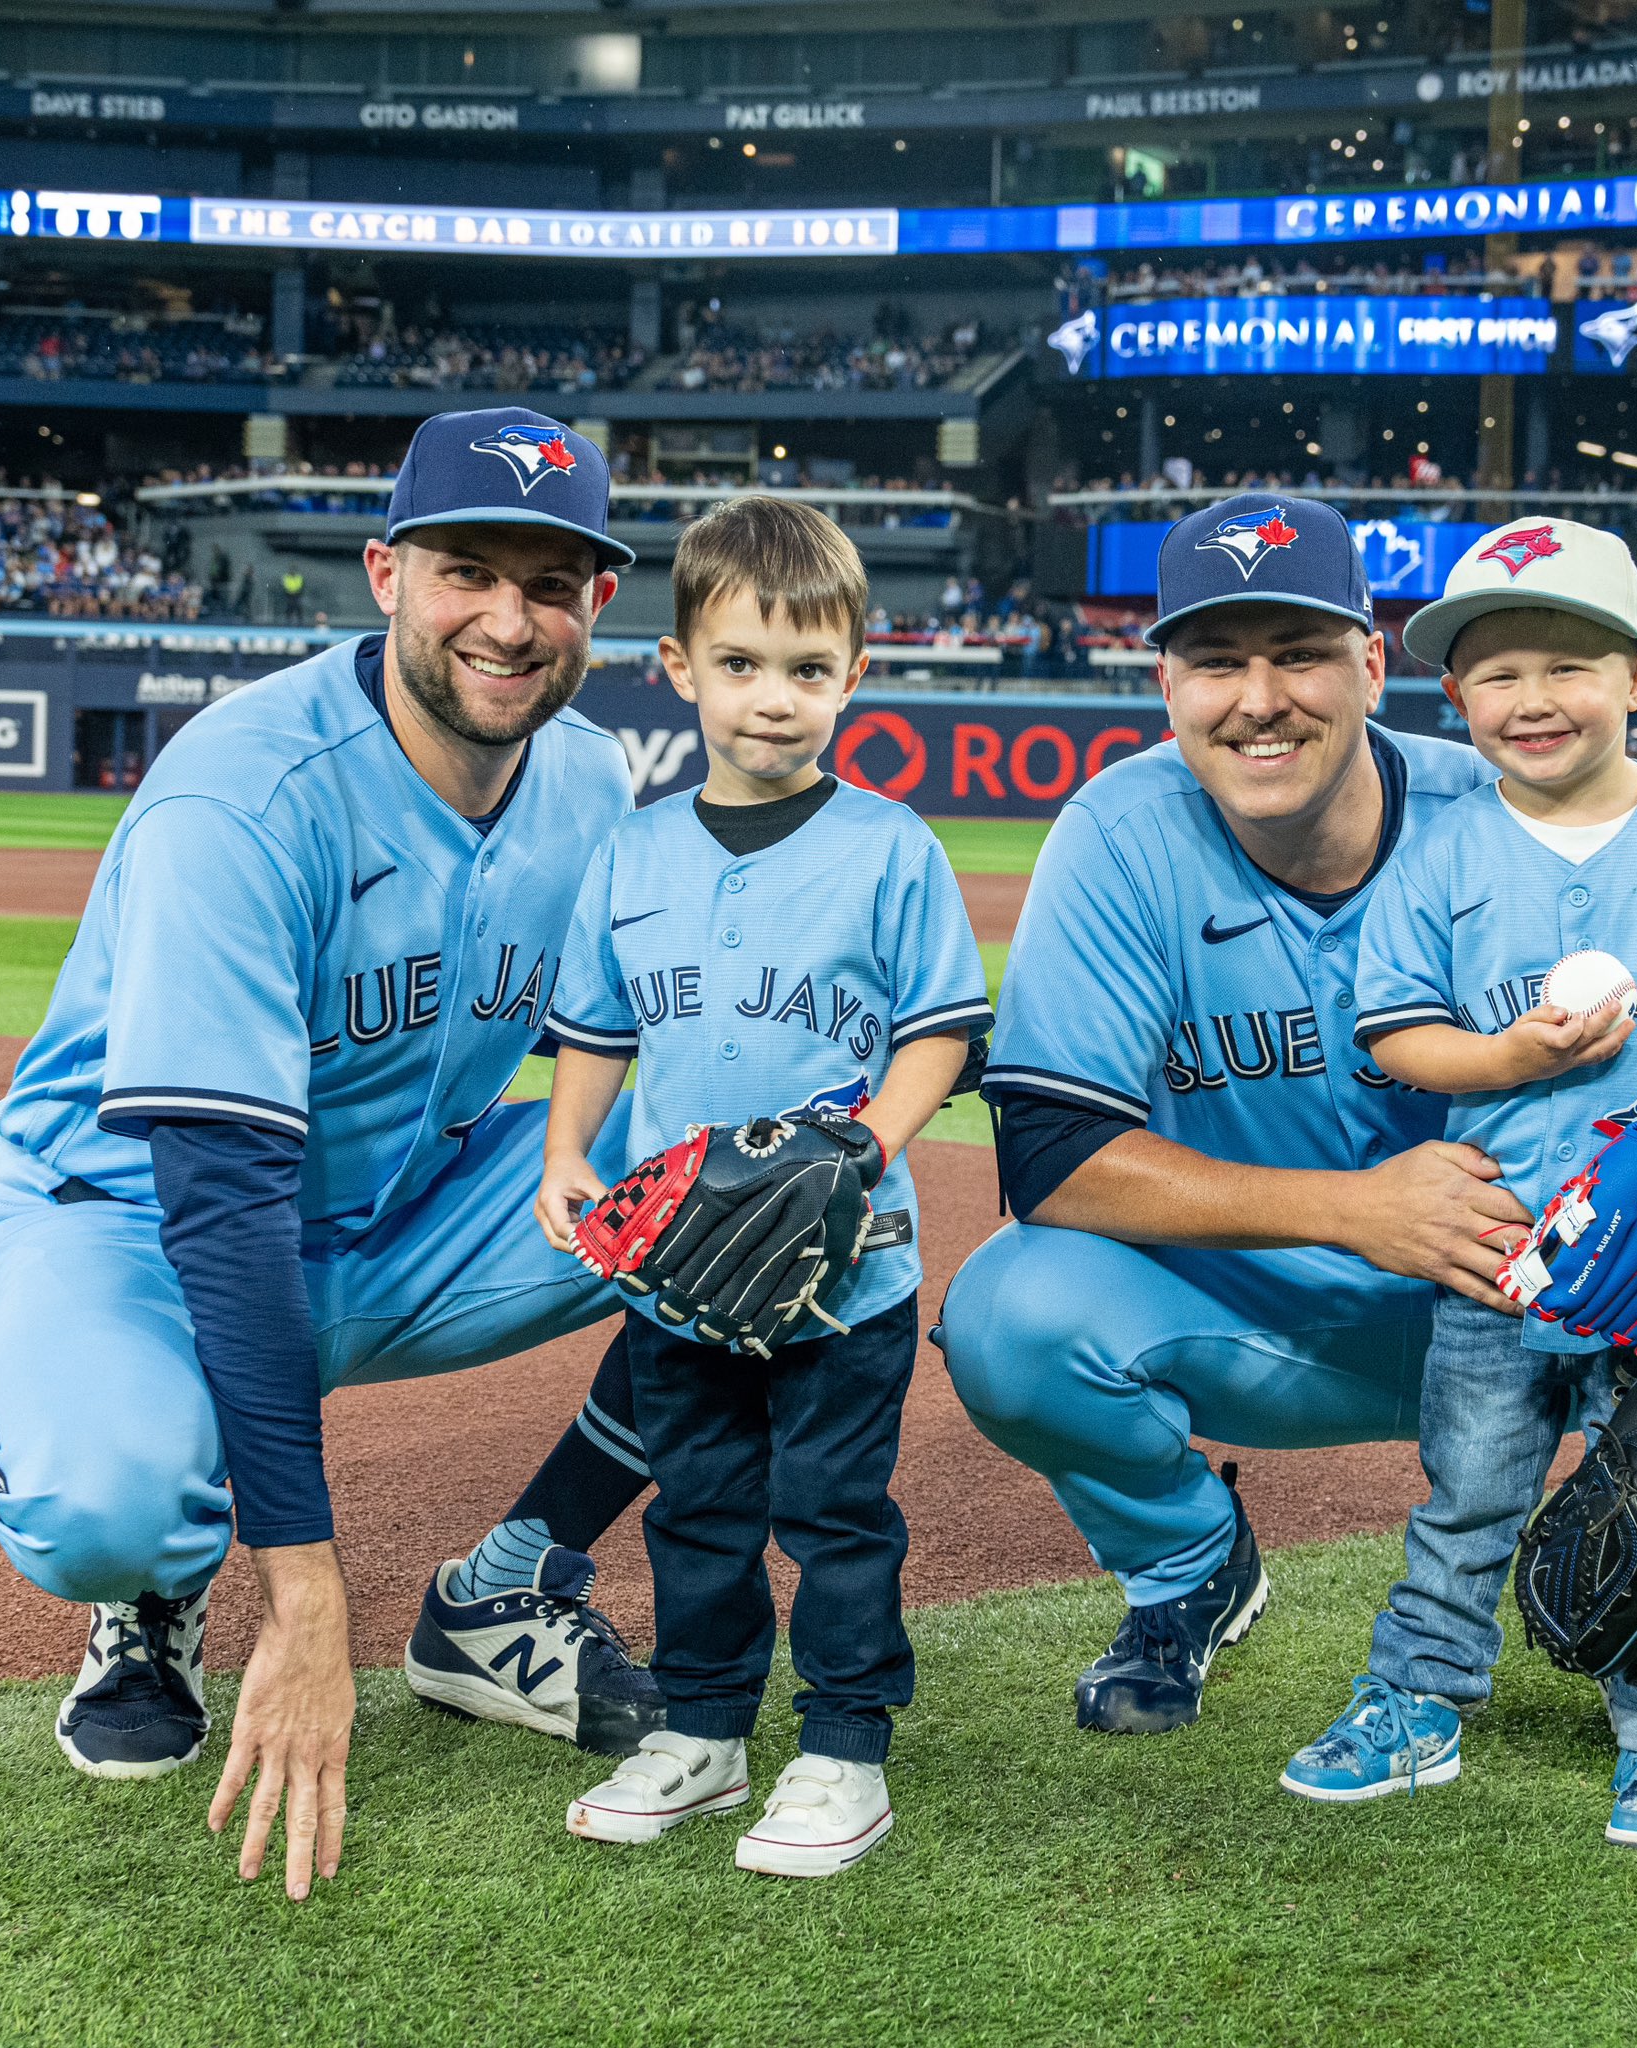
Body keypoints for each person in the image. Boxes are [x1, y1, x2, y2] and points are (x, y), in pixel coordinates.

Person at [936, 495, 1637, 1754]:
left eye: (1295, 651)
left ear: (1367, 662)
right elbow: (1046, 1156)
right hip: (1270, 1315)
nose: (1257, 697)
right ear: (1164, 681)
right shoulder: (1119, 838)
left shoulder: (1512, 803)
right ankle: (1187, 1564)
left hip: (1555, 1299)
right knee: (1009, 1316)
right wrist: (1355, 1211)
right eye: (1215, 659)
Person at [0, 408, 679, 1903]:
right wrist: (304, 1598)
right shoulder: (247, 794)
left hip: (395, 1218)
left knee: (780, 1182)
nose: (507, 616)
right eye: (467, 568)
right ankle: (158, 1597)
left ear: (599, 605)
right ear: (385, 574)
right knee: (102, 1508)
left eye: (549, 582)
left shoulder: (593, 787)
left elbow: (643, 1044)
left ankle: (506, 1590)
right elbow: (219, 1202)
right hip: (133, 1227)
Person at [1277, 520, 1637, 1848]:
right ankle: (1418, 1700)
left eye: (1571, 665)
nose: (1534, 699)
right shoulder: (1441, 851)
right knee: (1466, 1488)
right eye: (1500, 672)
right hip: (1503, 1249)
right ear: (1455, 698)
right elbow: (1397, 1035)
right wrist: (1506, 1052)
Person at [534, 497, 990, 1879]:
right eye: (740, 665)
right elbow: (600, 1029)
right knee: (699, 1510)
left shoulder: (891, 848)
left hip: (849, 1271)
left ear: (856, 675)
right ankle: (707, 1727)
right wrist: (568, 1154)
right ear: (678, 670)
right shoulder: (635, 853)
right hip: (680, 1265)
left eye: (807, 670)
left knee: (837, 1516)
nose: (773, 699)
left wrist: (867, 1146)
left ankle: (846, 1746)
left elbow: (942, 1029)